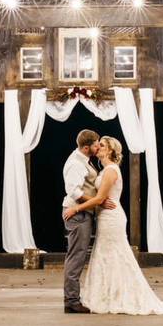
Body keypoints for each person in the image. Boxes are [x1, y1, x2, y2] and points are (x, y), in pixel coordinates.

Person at [64, 136, 163, 315]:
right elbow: (97, 197)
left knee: (115, 254)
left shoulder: (110, 170)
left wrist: (76, 208)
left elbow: (100, 199)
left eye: (102, 145)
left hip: (111, 217)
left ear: (110, 151)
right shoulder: (104, 169)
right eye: (97, 144)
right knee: (107, 254)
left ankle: (118, 295)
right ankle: (108, 294)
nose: (98, 147)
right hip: (105, 217)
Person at [61, 129, 116, 313]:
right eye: (95, 144)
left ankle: (72, 299)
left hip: (84, 213)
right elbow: (74, 191)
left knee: (78, 255)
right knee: (76, 256)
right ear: (86, 147)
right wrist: (96, 202)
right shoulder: (76, 164)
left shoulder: (83, 160)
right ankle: (71, 301)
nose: (98, 146)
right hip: (77, 214)